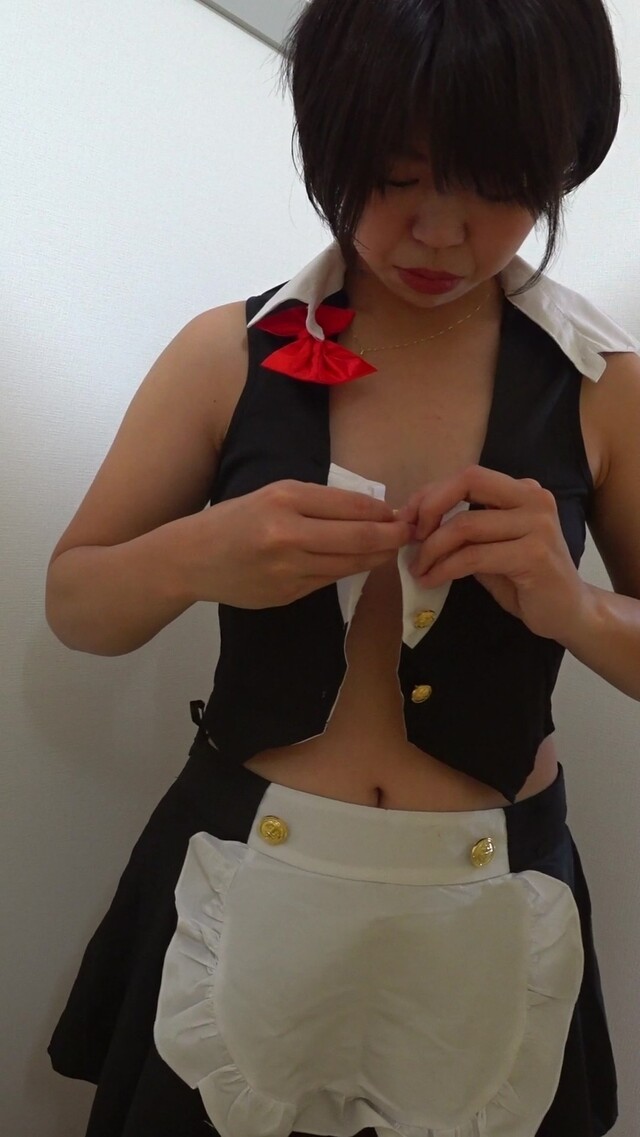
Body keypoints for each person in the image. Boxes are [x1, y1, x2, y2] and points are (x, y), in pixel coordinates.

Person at [45, 1, 640, 1135]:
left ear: (559, 164)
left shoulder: (604, 385)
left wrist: (573, 605)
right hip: (238, 876)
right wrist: (202, 554)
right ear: (329, 144)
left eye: (495, 186)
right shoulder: (227, 353)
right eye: (396, 176)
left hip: (491, 898)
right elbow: (75, 604)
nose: (439, 232)